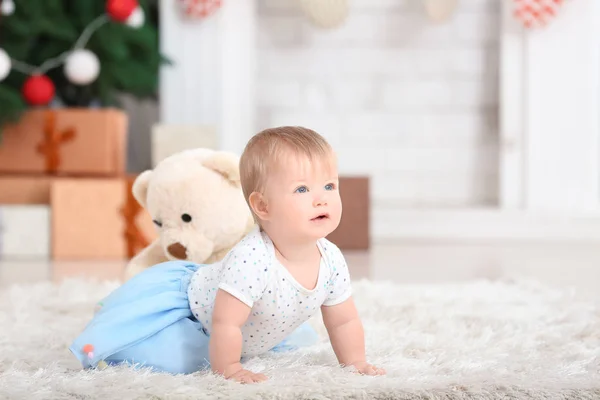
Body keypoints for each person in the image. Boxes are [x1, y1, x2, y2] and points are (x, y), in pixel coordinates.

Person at [70, 126, 385, 383]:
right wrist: (230, 368)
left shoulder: (330, 258)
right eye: (302, 190)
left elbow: (344, 321)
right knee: (165, 358)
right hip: (195, 317)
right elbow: (225, 324)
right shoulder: (253, 259)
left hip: (255, 326)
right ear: (263, 206)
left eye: (330, 186)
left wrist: (355, 362)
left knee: (299, 340)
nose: (322, 199)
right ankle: (116, 325)